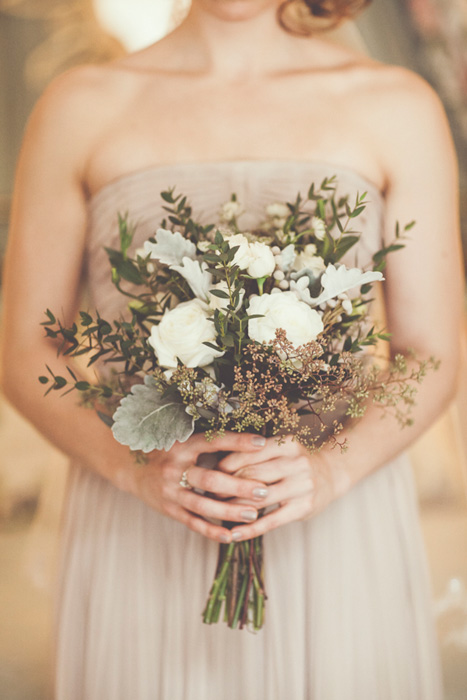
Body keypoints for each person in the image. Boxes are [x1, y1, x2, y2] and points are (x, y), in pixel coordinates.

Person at [1, 1, 463, 698]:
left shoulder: (396, 106)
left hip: (335, 523)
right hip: (140, 524)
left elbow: (431, 352)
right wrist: (134, 470)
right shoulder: (80, 106)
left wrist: (328, 474)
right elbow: (24, 348)